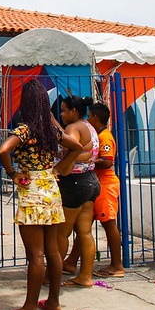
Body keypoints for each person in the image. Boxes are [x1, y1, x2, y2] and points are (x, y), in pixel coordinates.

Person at [0, 79, 86, 310]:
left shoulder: (25, 129)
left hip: (31, 191)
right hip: (51, 190)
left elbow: (2, 150)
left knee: (36, 255)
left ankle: (29, 306)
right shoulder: (51, 129)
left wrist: (12, 173)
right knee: (53, 251)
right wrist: (59, 168)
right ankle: (53, 302)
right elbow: (77, 147)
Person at [63, 102, 125, 279]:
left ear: (95, 117)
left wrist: (87, 160)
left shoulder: (105, 137)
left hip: (106, 184)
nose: (88, 119)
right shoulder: (96, 135)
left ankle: (117, 264)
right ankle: (71, 261)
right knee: (84, 227)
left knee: (109, 223)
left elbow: (107, 161)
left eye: (89, 116)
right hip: (95, 184)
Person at [56, 95, 101, 288]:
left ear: (74, 111)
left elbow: (72, 146)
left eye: (64, 110)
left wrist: (59, 168)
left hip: (73, 183)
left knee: (61, 234)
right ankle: (85, 276)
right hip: (90, 181)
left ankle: (52, 276)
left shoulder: (73, 128)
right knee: (85, 232)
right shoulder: (88, 126)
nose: (62, 114)